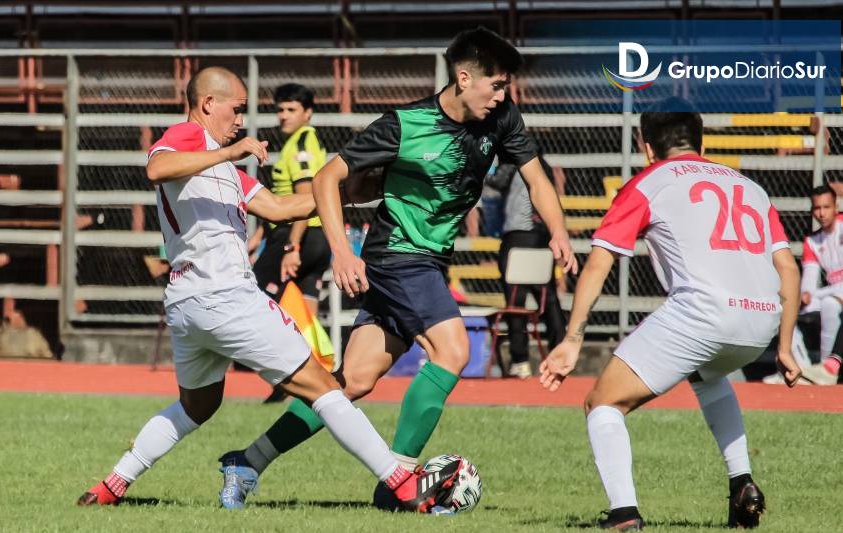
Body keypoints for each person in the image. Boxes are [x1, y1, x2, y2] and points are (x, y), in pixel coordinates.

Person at [216, 27, 578, 508]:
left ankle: (249, 459)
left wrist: (557, 230)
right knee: (452, 351)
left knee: (351, 383)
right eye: (495, 84)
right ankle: (400, 480)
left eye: (506, 86)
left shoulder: (503, 118)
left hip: (426, 261)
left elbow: (536, 177)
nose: (502, 95)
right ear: (464, 77)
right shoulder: (405, 124)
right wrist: (343, 251)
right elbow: (329, 177)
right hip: (398, 257)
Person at [76, 67, 459, 512]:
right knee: (325, 387)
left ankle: (113, 483)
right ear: (207, 105)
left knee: (198, 406)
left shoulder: (226, 172)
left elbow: (280, 207)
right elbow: (157, 166)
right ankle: (404, 485)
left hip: (188, 304)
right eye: (236, 110)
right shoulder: (187, 136)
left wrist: (349, 192)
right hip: (225, 298)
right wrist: (232, 150)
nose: (241, 121)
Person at [541, 97, 802, 530]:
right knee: (709, 375)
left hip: (702, 314)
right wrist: (787, 347)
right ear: (700, 142)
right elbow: (788, 269)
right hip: (762, 322)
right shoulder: (749, 186)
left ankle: (624, 514)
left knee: (602, 403)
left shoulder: (649, 181)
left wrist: (572, 340)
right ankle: (743, 484)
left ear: (647, 147)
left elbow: (600, 261)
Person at [249, 83, 330, 402]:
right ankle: (314, 382)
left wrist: (291, 247)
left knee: (254, 300)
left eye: (291, 109)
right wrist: (259, 235)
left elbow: (303, 199)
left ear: (308, 113)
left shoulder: (301, 146)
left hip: (301, 236)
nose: (283, 115)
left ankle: (283, 378)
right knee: (305, 314)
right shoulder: (299, 142)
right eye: (280, 109)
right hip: (313, 236)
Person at [487, 161, 566, 378]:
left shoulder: (514, 162)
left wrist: (488, 168)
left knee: (515, 300)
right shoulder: (546, 166)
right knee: (547, 297)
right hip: (542, 235)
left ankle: (520, 360)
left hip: (517, 235)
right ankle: (559, 352)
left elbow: (495, 182)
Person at [797, 185, 843, 385]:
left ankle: (827, 369)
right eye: (817, 208)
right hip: (831, 292)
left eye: (826, 207)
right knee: (788, 310)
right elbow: (809, 280)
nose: (822, 213)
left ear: (836, 207)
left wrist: (813, 294)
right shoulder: (812, 241)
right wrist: (805, 294)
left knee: (830, 304)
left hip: (833, 294)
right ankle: (798, 369)